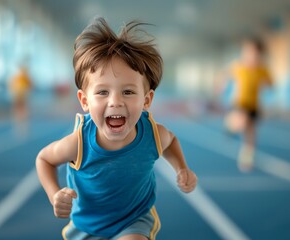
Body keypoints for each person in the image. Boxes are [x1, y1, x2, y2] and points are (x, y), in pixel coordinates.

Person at [36, 18, 197, 240]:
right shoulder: (78, 143)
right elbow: (44, 159)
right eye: (102, 92)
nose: (115, 102)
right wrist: (55, 195)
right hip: (87, 227)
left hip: (134, 220)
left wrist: (181, 168)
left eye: (128, 92)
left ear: (147, 100)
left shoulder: (153, 135)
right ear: (84, 101)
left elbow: (171, 142)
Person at [220, 37, 273, 172]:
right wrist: (222, 85)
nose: (251, 55)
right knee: (242, 122)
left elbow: (270, 82)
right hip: (240, 103)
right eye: (247, 52)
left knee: (251, 134)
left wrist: (268, 85)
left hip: (254, 105)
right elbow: (224, 74)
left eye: (254, 53)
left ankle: (246, 159)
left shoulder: (262, 69)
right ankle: (229, 126)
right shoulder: (238, 66)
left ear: (259, 54)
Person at [8, 64, 32, 136]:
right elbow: (11, 85)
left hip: (23, 95)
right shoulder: (16, 78)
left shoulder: (26, 78)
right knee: (17, 110)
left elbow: (30, 85)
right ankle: (18, 125)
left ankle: (24, 125)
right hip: (17, 95)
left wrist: (27, 92)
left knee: (24, 110)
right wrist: (13, 92)